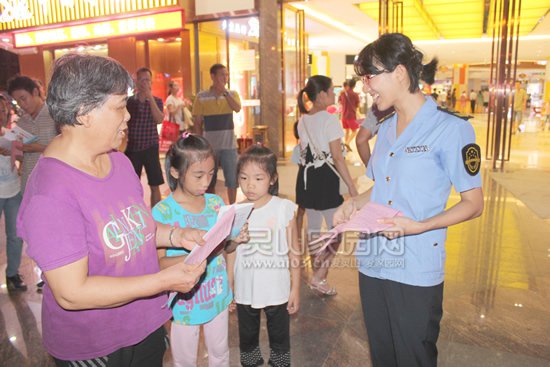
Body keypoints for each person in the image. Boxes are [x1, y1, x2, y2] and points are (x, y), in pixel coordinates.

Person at [16, 54, 207, 367]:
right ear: (84, 113)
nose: (128, 116)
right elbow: (72, 292)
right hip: (94, 345)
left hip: (144, 325)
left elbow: (135, 227)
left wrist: (177, 235)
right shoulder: (51, 192)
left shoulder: (117, 161)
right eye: (120, 106)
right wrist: (163, 281)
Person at [340, 32, 483, 367]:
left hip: (416, 266)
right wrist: (354, 204)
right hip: (373, 261)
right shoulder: (386, 128)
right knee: (383, 355)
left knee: (413, 357)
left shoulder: (451, 130)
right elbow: (382, 189)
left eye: (370, 76)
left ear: (400, 73)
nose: (366, 86)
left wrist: (421, 226)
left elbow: (474, 204)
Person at [152, 133, 248, 367]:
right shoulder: (163, 213)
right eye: (198, 175)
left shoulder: (215, 204)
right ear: (175, 172)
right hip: (183, 303)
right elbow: (158, 266)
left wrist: (236, 239)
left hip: (216, 295)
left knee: (220, 354)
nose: (206, 181)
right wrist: (200, 255)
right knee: (185, 361)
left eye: (211, 173)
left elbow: (225, 248)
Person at [227, 145, 301, 367]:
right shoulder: (235, 211)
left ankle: (279, 362)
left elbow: (294, 250)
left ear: (272, 179)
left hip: (276, 287)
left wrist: (295, 288)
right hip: (244, 287)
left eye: (258, 178)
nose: (250, 185)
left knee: (279, 337)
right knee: (247, 337)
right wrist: (228, 286)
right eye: (244, 177)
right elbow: (229, 251)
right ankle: (251, 362)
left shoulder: (282, 208)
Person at [295, 75, 358, 296]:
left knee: (313, 226)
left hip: (306, 177)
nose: (334, 95)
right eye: (331, 91)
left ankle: (317, 273)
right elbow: (338, 158)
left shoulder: (302, 121)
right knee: (337, 229)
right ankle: (320, 276)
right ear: (321, 94)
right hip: (325, 178)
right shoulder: (330, 120)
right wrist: (351, 186)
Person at [192, 64, 241, 204]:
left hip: (229, 145)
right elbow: (197, 122)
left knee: (232, 180)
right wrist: (201, 146)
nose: (225, 78)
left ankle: (233, 208)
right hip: (210, 147)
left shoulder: (232, 94)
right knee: (209, 181)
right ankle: (212, 209)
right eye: (222, 75)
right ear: (212, 76)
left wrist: (225, 93)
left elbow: (237, 108)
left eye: (226, 75)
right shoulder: (202, 97)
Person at [7, 76, 57, 193]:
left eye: (23, 98)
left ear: (35, 92)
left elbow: (68, 149)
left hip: (53, 179)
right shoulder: (21, 122)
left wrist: (39, 148)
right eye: (17, 101)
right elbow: (20, 156)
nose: (22, 104)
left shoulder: (55, 116)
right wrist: (13, 151)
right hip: (29, 181)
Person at [125, 67, 165, 208]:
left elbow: (159, 119)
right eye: (140, 80)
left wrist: (149, 98)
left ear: (151, 82)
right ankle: (138, 215)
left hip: (151, 147)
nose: (144, 83)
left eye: (147, 79)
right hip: (133, 148)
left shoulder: (157, 101)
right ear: (136, 82)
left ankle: (157, 216)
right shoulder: (129, 102)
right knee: (132, 186)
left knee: (155, 184)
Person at [0, 95, 26, 292]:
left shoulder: (10, 134)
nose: (0, 115)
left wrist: (18, 152)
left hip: (13, 190)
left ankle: (12, 274)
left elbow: (20, 158)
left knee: (16, 235)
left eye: (2, 111)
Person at [356, 103, 395, 167]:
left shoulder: (379, 107)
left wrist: (370, 167)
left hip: (386, 165)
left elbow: (361, 140)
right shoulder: (414, 106)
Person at [338, 79, 360, 151]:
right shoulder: (355, 94)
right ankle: (347, 143)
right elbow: (357, 105)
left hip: (343, 115)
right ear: (354, 85)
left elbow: (340, 102)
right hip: (351, 116)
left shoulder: (342, 93)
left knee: (347, 131)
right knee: (354, 131)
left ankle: (345, 149)